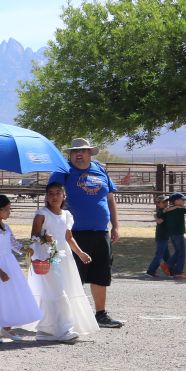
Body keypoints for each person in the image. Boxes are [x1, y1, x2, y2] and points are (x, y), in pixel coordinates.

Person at [48, 139, 124, 328]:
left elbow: (110, 199)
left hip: (100, 231)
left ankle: (100, 314)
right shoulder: (62, 171)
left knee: (101, 273)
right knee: (73, 275)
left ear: (90, 153)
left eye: (82, 151)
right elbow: (51, 197)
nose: (78, 154)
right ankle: (68, 316)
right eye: (74, 151)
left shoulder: (100, 169)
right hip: (73, 233)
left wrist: (115, 225)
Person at [29, 182, 97, 342]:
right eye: (50, 193)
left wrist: (80, 253)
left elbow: (68, 238)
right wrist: (44, 238)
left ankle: (46, 330)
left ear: (64, 195)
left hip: (64, 258)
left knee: (58, 291)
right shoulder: (42, 214)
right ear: (46, 196)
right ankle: (65, 329)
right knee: (58, 292)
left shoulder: (67, 215)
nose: (54, 196)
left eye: (58, 193)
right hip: (47, 258)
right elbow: (33, 236)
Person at [0, 194, 42, 343]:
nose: (9, 212)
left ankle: (6, 327)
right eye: (6, 209)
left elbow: (14, 244)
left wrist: (26, 249)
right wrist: (0, 272)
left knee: (9, 296)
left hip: (8, 264)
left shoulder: (6, 227)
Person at [145, 196, 171, 279]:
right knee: (159, 255)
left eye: (166, 201)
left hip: (164, 235)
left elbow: (156, 216)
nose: (166, 203)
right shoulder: (163, 211)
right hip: (162, 236)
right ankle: (150, 271)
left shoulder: (162, 211)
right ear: (158, 203)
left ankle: (171, 271)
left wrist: (156, 216)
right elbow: (160, 221)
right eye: (163, 202)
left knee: (166, 256)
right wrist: (156, 217)